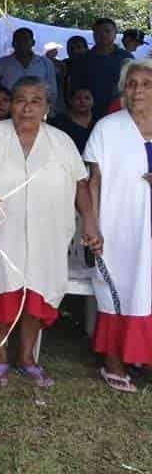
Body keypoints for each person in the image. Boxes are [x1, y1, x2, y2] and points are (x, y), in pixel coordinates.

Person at [0, 77, 89, 387]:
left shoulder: (61, 142)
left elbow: (80, 185)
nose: (27, 107)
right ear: (11, 104)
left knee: (37, 291)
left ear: (47, 107)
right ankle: (1, 356)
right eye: (20, 99)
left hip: (49, 231)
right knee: (1, 289)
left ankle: (28, 357)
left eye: (35, 100)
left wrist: (92, 223)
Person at [80, 58, 152, 392]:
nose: (138, 90)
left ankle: (142, 357)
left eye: (147, 84)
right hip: (119, 224)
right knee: (118, 288)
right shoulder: (108, 128)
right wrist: (91, 225)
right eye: (132, 83)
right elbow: (92, 181)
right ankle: (114, 362)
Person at [69, 18, 133, 118]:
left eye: (107, 31)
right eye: (98, 32)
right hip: (88, 114)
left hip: (120, 111)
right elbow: (75, 89)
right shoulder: (82, 59)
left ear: (115, 33)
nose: (103, 35)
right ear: (93, 34)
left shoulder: (125, 58)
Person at [0, 27, 57, 110]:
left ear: (33, 43)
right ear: (13, 43)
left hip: (36, 111)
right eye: (18, 40)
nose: (22, 43)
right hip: (8, 111)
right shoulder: (2, 63)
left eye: (26, 39)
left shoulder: (45, 63)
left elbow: (52, 90)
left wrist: (50, 110)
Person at [49, 86, 95, 153]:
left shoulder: (100, 121)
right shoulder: (58, 122)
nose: (83, 101)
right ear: (70, 100)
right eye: (78, 98)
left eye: (87, 98)